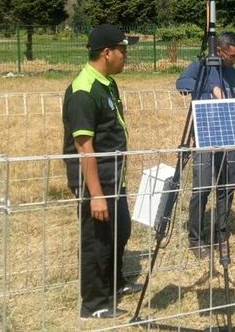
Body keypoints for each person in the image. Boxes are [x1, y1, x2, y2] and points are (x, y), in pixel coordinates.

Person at [63, 24, 143, 320]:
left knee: (120, 230)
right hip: (95, 182)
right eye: (123, 51)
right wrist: (95, 195)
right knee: (97, 240)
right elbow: (85, 148)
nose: (126, 56)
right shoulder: (84, 91)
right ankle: (94, 303)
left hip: (114, 177)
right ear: (106, 52)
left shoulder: (106, 83)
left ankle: (115, 284)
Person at [176, 32, 235, 259]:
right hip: (205, 137)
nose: (234, 60)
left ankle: (221, 236)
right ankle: (196, 238)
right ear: (219, 50)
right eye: (232, 56)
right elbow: (182, 84)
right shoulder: (200, 66)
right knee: (202, 188)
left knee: (227, 188)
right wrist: (211, 88)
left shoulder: (232, 73)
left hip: (229, 136)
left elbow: (229, 98)